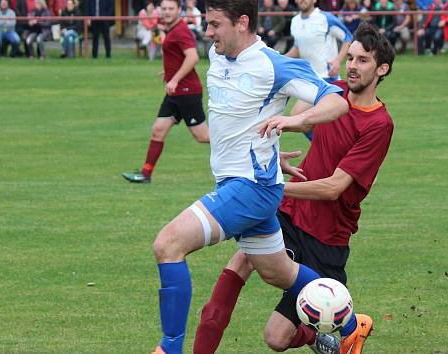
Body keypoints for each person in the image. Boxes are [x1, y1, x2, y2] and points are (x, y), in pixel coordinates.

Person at [147, 0, 362, 352]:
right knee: (281, 274)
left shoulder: (273, 65)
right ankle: (353, 325)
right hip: (243, 182)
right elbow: (236, 121)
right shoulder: (218, 57)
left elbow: (336, 101)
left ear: (242, 22)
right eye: (207, 22)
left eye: (215, 24)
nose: (208, 31)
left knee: (168, 244)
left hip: (251, 189)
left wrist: (293, 121)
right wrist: (268, 152)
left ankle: (170, 348)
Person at [194, 20, 395, 354]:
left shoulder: (379, 124)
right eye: (351, 58)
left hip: (327, 237)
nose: (353, 67)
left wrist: (270, 188)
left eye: (363, 61)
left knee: (276, 339)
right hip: (289, 215)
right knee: (239, 262)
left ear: (382, 69)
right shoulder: (332, 93)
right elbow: (290, 118)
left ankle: (338, 328)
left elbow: (334, 187)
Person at [122, 0, 208, 184]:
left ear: (179, 10)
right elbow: (178, 56)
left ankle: (244, 145)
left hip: (186, 91)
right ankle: (145, 174)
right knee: (158, 130)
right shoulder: (172, 28)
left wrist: (175, 79)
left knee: (203, 137)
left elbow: (192, 57)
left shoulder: (181, 30)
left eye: (171, 9)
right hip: (175, 93)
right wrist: (169, 72)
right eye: (165, 9)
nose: (167, 12)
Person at [286, 0, 353, 83]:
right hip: (307, 79)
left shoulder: (326, 18)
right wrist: (279, 58)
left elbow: (348, 38)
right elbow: (298, 47)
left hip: (328, 79)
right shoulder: (295, 21)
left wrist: (338, 61)